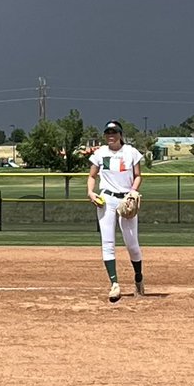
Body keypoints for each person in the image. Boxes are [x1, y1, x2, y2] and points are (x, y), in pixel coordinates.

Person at [86, 120, 144, 302]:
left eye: (114, 132)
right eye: (108, 132)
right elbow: (91, 176)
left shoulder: (131, 152)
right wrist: (91, 193)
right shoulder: (100, 153)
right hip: (107, 200)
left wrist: (133, 192)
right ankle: (114, 285)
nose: (111, 135)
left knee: (131, 244)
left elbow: (138, 175)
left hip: (126, 199)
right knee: (107, 242)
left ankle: (139, 277)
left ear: (120, 134)